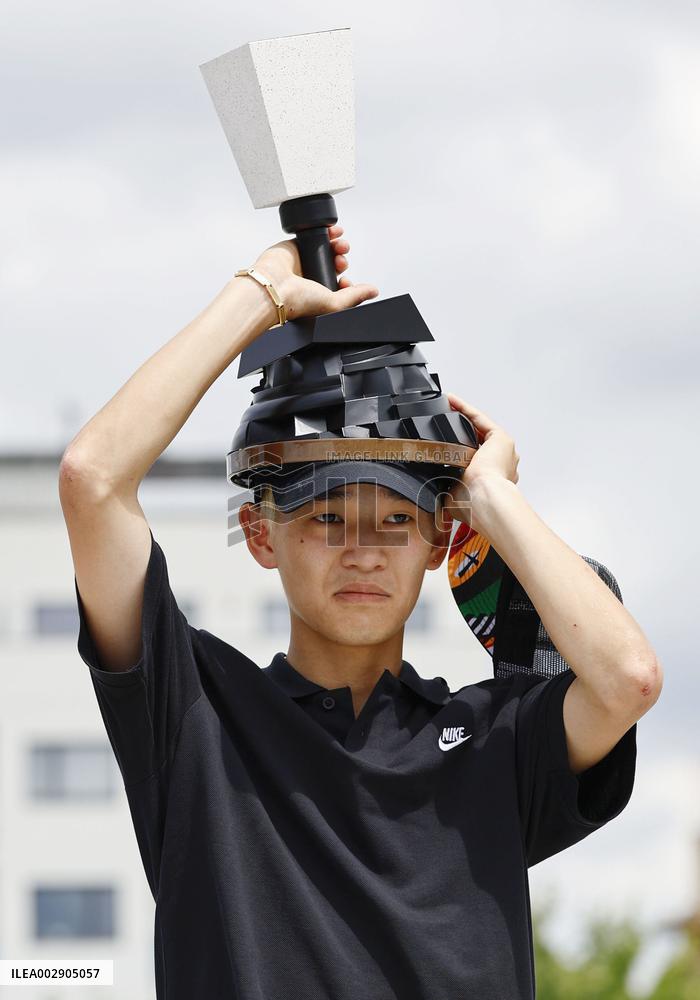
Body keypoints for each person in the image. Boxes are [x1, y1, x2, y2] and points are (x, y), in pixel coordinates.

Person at [59, 224, 663, 999]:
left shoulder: (497, 741)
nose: (365, 552)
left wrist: (491, 494)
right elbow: (92, 480)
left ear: (439, 541)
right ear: (260, 534)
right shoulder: (196, 718)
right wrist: (265, 291)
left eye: (398, 520)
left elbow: (628, 680)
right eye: (326, 518)